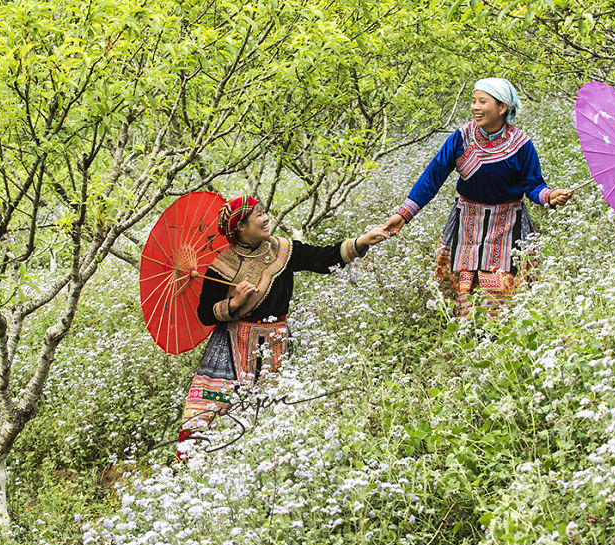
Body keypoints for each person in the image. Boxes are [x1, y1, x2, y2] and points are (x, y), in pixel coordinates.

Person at [177, 195, 390, 459]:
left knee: (272, 411)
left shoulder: (282, 250)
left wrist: (361, 242)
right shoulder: (222, 267)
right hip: (233, 345)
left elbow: (323, 259)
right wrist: (234, 303)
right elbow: (205, 314)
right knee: (214, 408)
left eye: (264, 212)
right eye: (258, 215)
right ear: (241, 227)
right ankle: (199, 458)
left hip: (276, 344)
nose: (266, 218)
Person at [383, 77, 572, 318]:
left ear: (502, 107)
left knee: (504, 299)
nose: (475, 107)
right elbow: (431, 178)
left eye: (483, 101)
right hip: (467, 225)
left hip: (507, 226)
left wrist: (550, 196)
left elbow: (533, 185)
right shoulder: (460, 139)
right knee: (464, 295)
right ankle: (468, 338)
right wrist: (403, 215)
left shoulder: (521, 145)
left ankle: (501, 342)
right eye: (473, 101)